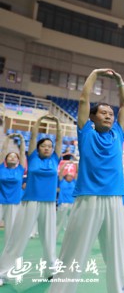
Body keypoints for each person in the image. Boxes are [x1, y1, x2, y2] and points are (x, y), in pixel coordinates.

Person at [50, 68, 124, 293]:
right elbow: (84, 99)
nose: (108, 115)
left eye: (110, 114)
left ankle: (119, 289)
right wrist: (95, 73)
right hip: (88, 199)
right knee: (74, 251)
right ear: (93, 117)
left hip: (114, 199)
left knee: (115, 253)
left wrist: (120, 81)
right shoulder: (86, 132)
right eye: (103, 112)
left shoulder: (118, 134)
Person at [0, 114, 62, 286]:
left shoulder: (55, 160)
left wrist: (57, 123)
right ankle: (2, 273)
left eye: (50, 146)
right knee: (17, 239)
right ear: (38, 148)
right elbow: (33, 135)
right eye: (45, 146)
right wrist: (41, 120)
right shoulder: (32, 157)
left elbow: (59, 139)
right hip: (30, 203)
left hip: (49, 204)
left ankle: (51, 271)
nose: (48, 148)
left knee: (49, 240)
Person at [0, 133, 26, 246]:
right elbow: (3, 151)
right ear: (6, 159)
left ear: (18, 160)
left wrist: (21, 139)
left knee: (10, 230)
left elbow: (23, 154)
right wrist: (7, 139)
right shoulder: (1, 168)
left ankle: (8, 252)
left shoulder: (20, 169)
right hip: (0, 201)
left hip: (14, 202)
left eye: (15, 157)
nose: (12, 157)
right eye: (10, 156)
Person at [56, 161, 77, 238]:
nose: (70, 176)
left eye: (71, 175)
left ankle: (72, 237)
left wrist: (74, 163)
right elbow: (60, 173)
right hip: (63, 203)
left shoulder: (74, 182)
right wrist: (65, 164)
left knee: (72, 222)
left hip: (72, 204)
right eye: (69, 175)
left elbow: (77, 173)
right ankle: (54, 236)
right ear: (66, 176)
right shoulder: (62, 181)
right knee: (59, 221)